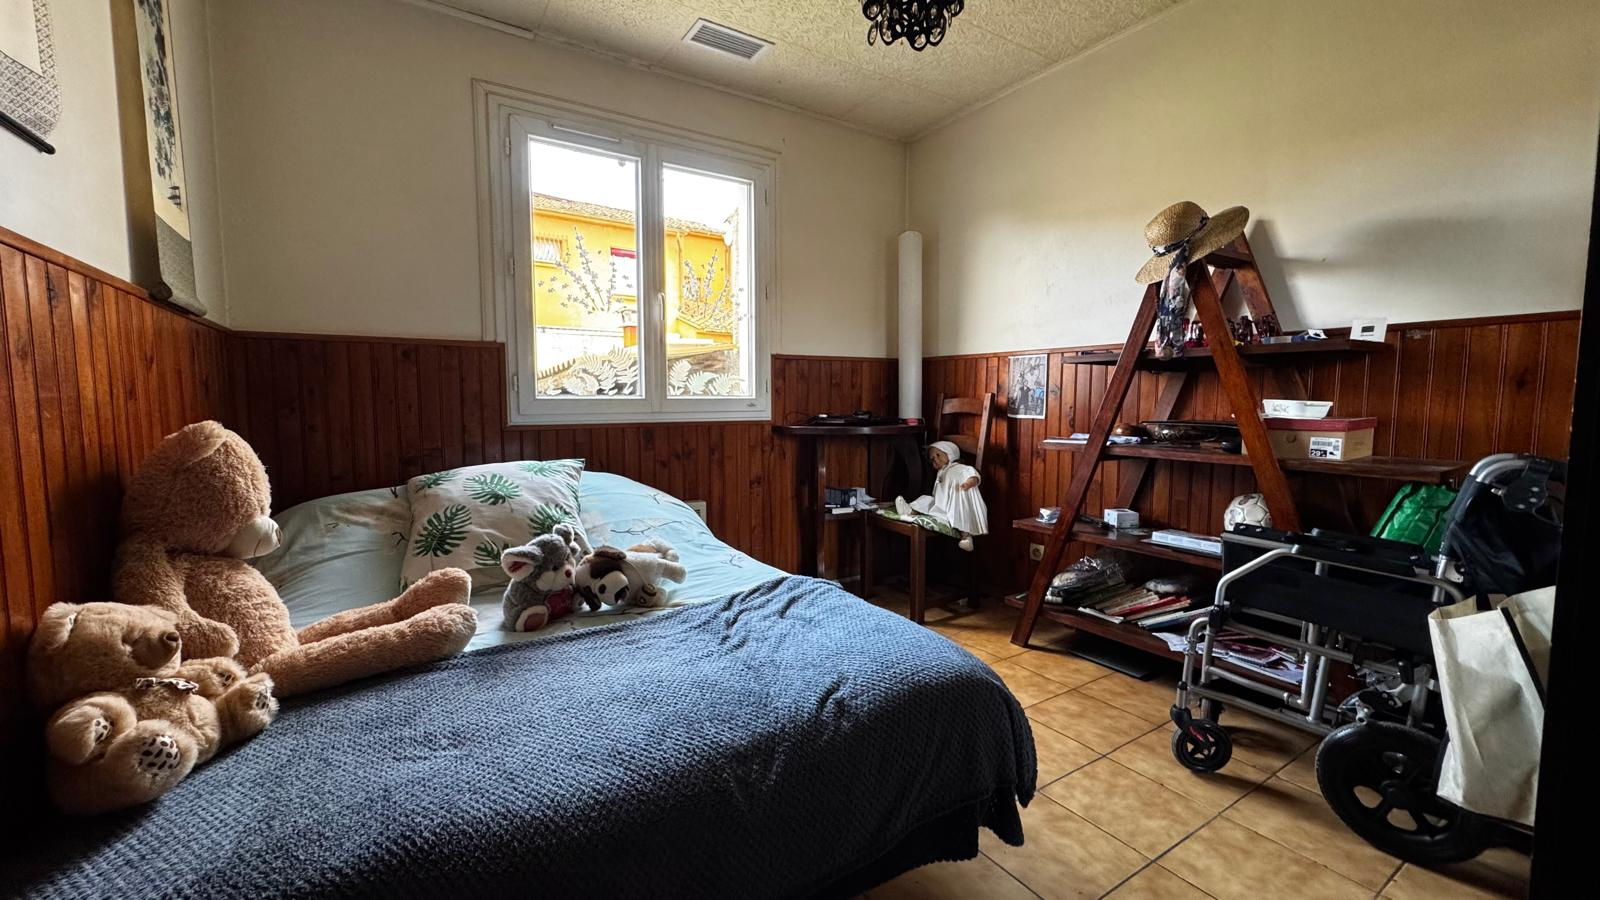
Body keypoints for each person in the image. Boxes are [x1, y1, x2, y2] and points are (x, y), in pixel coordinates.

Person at [894, 440, 988, 551]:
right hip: (941, 504)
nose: (936, 460)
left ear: (950, 453)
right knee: (925, 500)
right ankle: (910, 510)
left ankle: (966, 537)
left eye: (938, 455)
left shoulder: (959, 468)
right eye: (933, 459)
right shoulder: (941, 472)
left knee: (961, 514)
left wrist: (968, 483)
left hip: (955, 502)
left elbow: (973, 475)